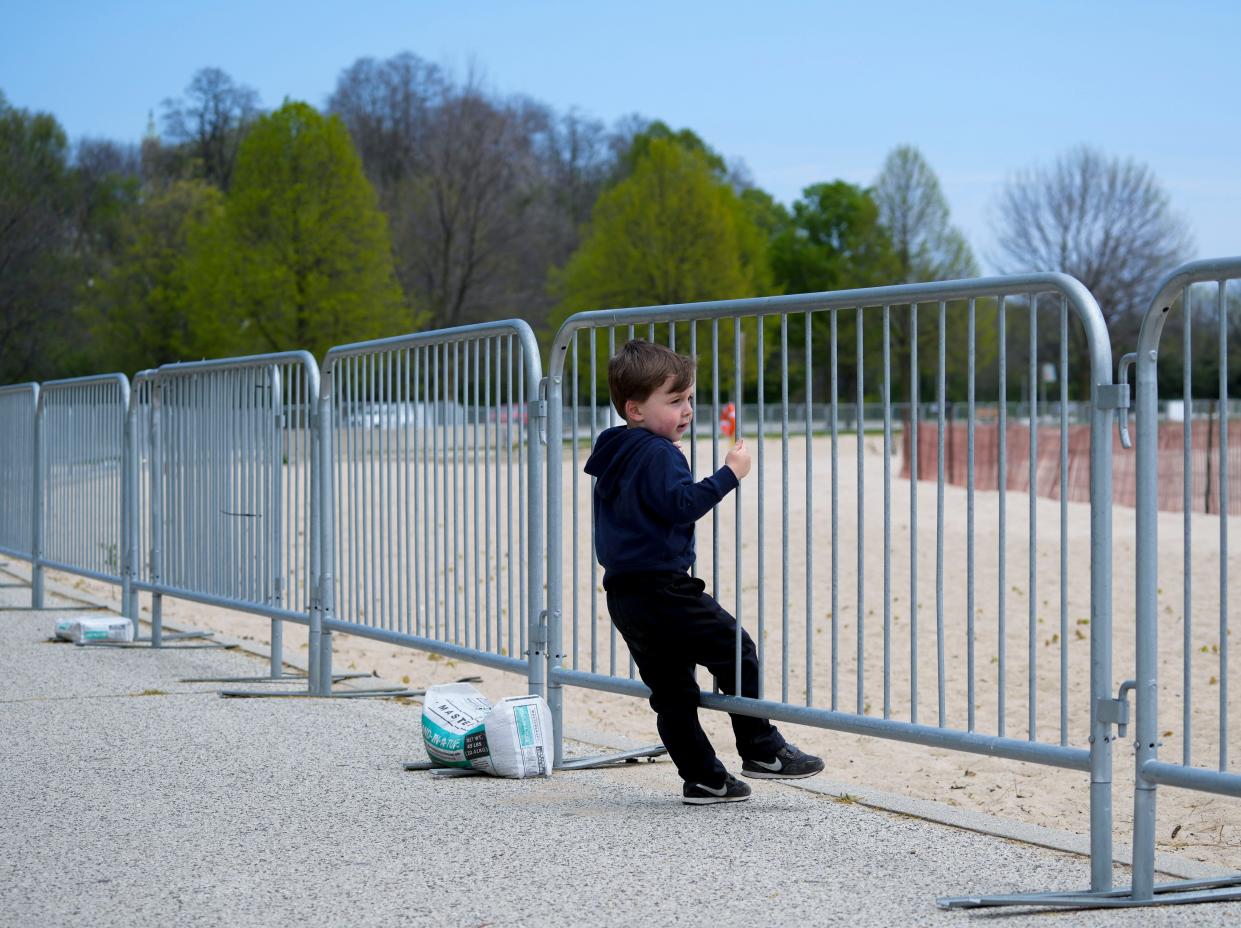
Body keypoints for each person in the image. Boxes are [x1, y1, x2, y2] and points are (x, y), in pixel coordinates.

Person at [584, 339, 824, 805]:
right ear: (634, 409)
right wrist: (730, 474)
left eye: (689, 398)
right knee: (738, 650)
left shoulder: (613, 451)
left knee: (672, 693)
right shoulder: (658, 453)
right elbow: (681, 506)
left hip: (625, 593)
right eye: (674, 401)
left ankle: (705, 779)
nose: (687, 410)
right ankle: (761, 748)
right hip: (665, 589)